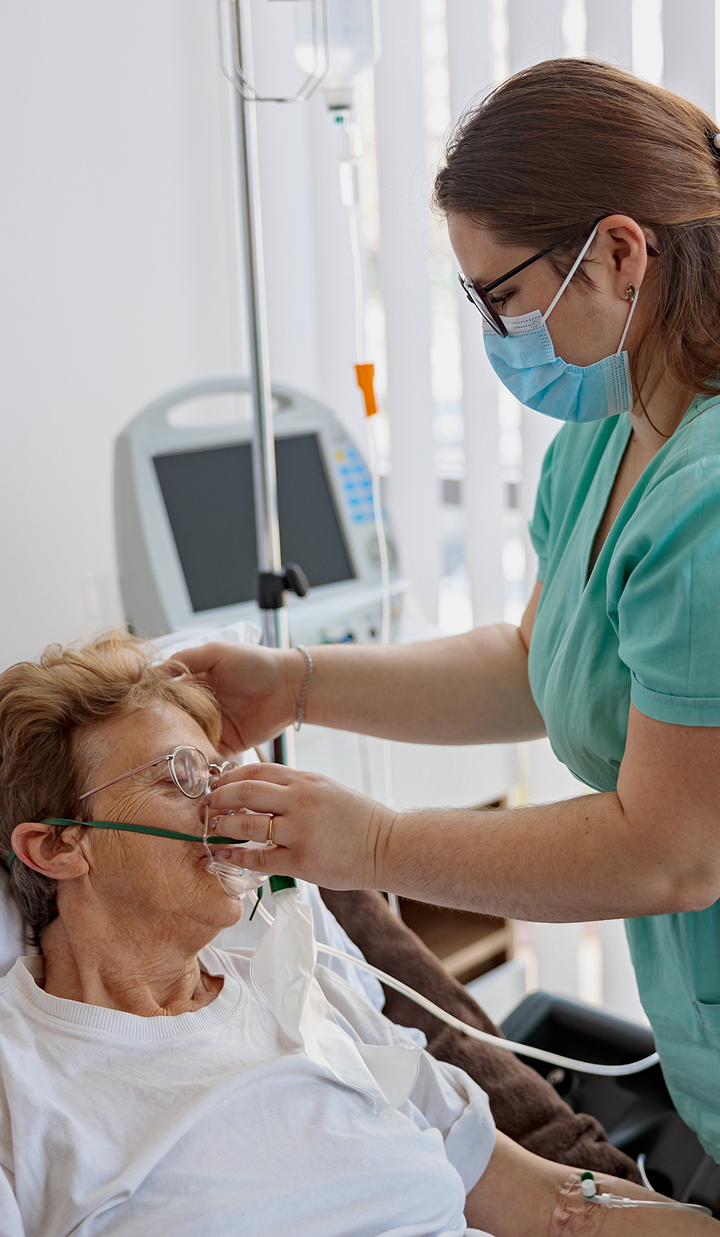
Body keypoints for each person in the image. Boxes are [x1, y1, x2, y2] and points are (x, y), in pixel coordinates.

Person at [178, 58, 720, 1169]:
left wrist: (368, 842)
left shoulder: (708, 505)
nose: (493, 332)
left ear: (621, 251)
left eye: (503, 295)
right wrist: (297, 682)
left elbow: (670, 852)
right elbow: (533, 662)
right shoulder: (611, 434)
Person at [3, 634, 706, 1237]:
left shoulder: (300, 981)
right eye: (181, 776)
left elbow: (559, 1208)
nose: (228, 805)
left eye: (219, 770)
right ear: (60, 848)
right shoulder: (24, 1082)